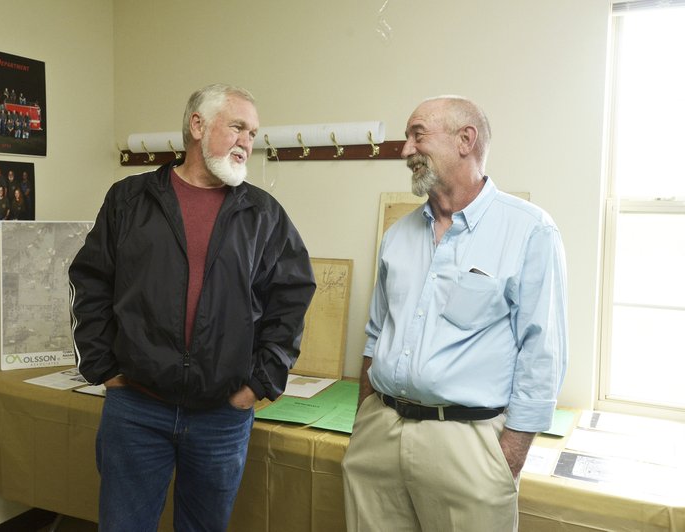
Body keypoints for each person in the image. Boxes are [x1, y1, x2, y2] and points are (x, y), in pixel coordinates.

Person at [68, 83, 316, 532]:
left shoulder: (264, 214)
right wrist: (104, 367)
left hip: (222, 416)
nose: (247, 141)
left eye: (253, 133)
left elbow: (292, 299)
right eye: (238, 126)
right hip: (137, 409)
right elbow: (90, 282)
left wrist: (259, 383)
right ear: (197, 126)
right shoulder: (129, 200)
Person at [341, 95, 568, 532]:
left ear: (466, 140)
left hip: (468, 445)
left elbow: (543, 355)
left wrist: (508, 458)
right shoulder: (398, 236)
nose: (405, 149)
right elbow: (375, 334)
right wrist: (364, 420)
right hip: (379, 435)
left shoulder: (530, 231)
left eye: (417, 134)